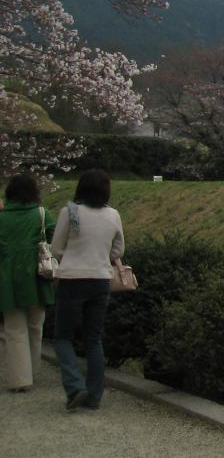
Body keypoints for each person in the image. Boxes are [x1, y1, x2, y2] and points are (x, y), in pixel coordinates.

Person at [52, 169, 124, 411]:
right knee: (93, 339)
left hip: (72, 280)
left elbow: (56, 248)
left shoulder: (69, 211)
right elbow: (118, 251)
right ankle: (94, 397)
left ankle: (75, 386)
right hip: (100, 280)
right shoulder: (113, 215)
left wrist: (73, 255)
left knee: (63, 337)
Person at [0, 173, 55, 393]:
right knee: (35, 325)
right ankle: (33, 370)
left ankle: (20, 379)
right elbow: (53, 238)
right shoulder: (41, 214)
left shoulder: (2, 217)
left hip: (7, 277)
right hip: (37, 275)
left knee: (14, 329)